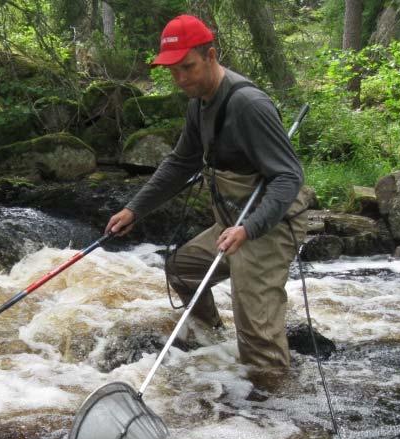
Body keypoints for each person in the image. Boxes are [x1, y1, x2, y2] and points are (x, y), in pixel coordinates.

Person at [105, 14, 308, 369]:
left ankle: (277, 408)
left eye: (188, 67)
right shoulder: (198, 102)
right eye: (173, 70)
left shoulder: (249, 105)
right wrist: (135, 209)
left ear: (211, 56)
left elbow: (289, 177)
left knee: (257, 339)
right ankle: (214, 343)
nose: (181, 79)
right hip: (230, 225)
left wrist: (249, 229)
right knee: (182, 269)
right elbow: (180, 163)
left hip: (267, 230)